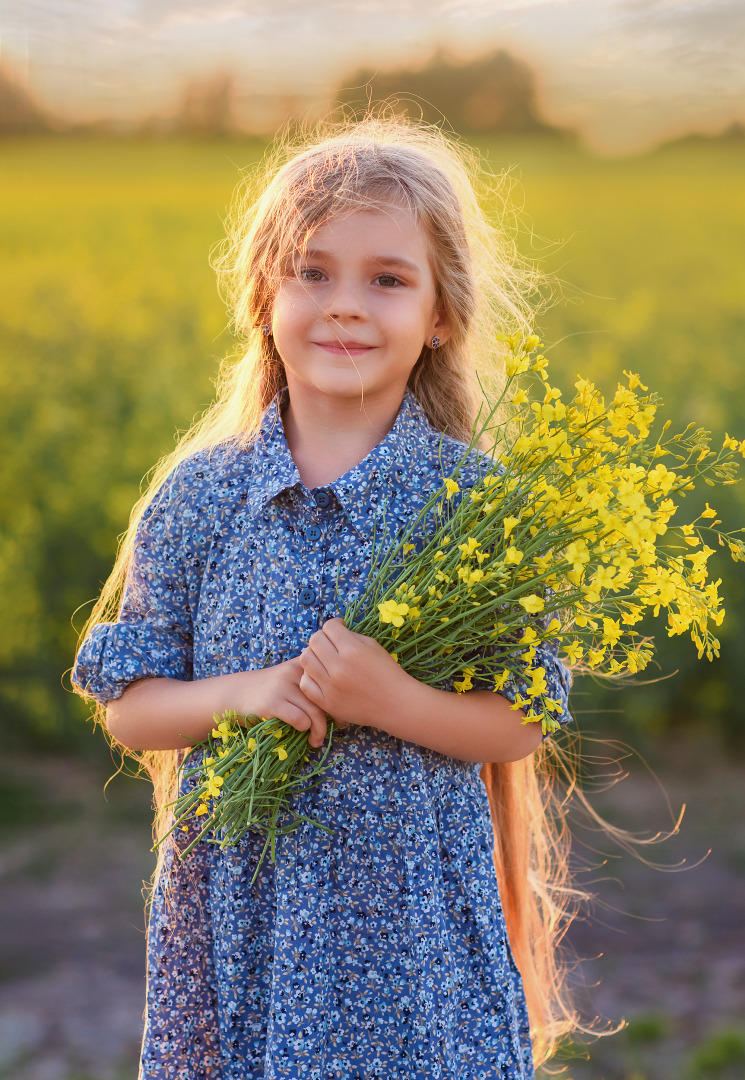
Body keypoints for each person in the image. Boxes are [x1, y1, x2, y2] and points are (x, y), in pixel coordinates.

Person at [72, 116, 581, 1079]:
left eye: (387, 279)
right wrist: (251, 691)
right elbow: (133, 709)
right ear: (263, 296)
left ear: (439, 314)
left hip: (413, 932)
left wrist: (390, 703)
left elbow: (522, 720)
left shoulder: (472, 506)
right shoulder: (201, 496)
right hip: (246, 921)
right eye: (311, 272)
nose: (345, 304)